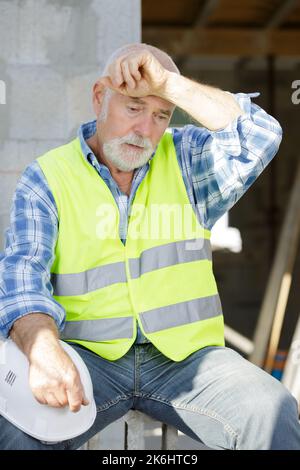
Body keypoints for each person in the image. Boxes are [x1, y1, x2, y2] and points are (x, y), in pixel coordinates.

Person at [0, 42, 299, 450]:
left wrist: (170, 84)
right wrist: (42, 348)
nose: (146, 130)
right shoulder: (48, 178)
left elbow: (261, 134)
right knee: (14, 431)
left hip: (189, 363)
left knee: (272, 410)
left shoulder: (188, 161)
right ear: (99, 98)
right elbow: (22, 277)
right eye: (134, 108)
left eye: (161, 114)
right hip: (89, 358)